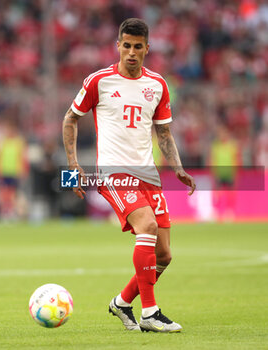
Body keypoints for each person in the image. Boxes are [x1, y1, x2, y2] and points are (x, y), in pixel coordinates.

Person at [63, 18, 196, 333]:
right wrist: (72, 167)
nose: (132, 52)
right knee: (146, 226)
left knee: (163, 255)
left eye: (138, 47)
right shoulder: (99, 81)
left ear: (147, 48)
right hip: (113, 172)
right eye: (126, 46)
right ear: (118, 46)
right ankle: (150, 313)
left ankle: (122, 302)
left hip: (148, 174)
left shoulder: (157, 85)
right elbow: (70, 119)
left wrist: (177, 166)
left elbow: (163, 132)